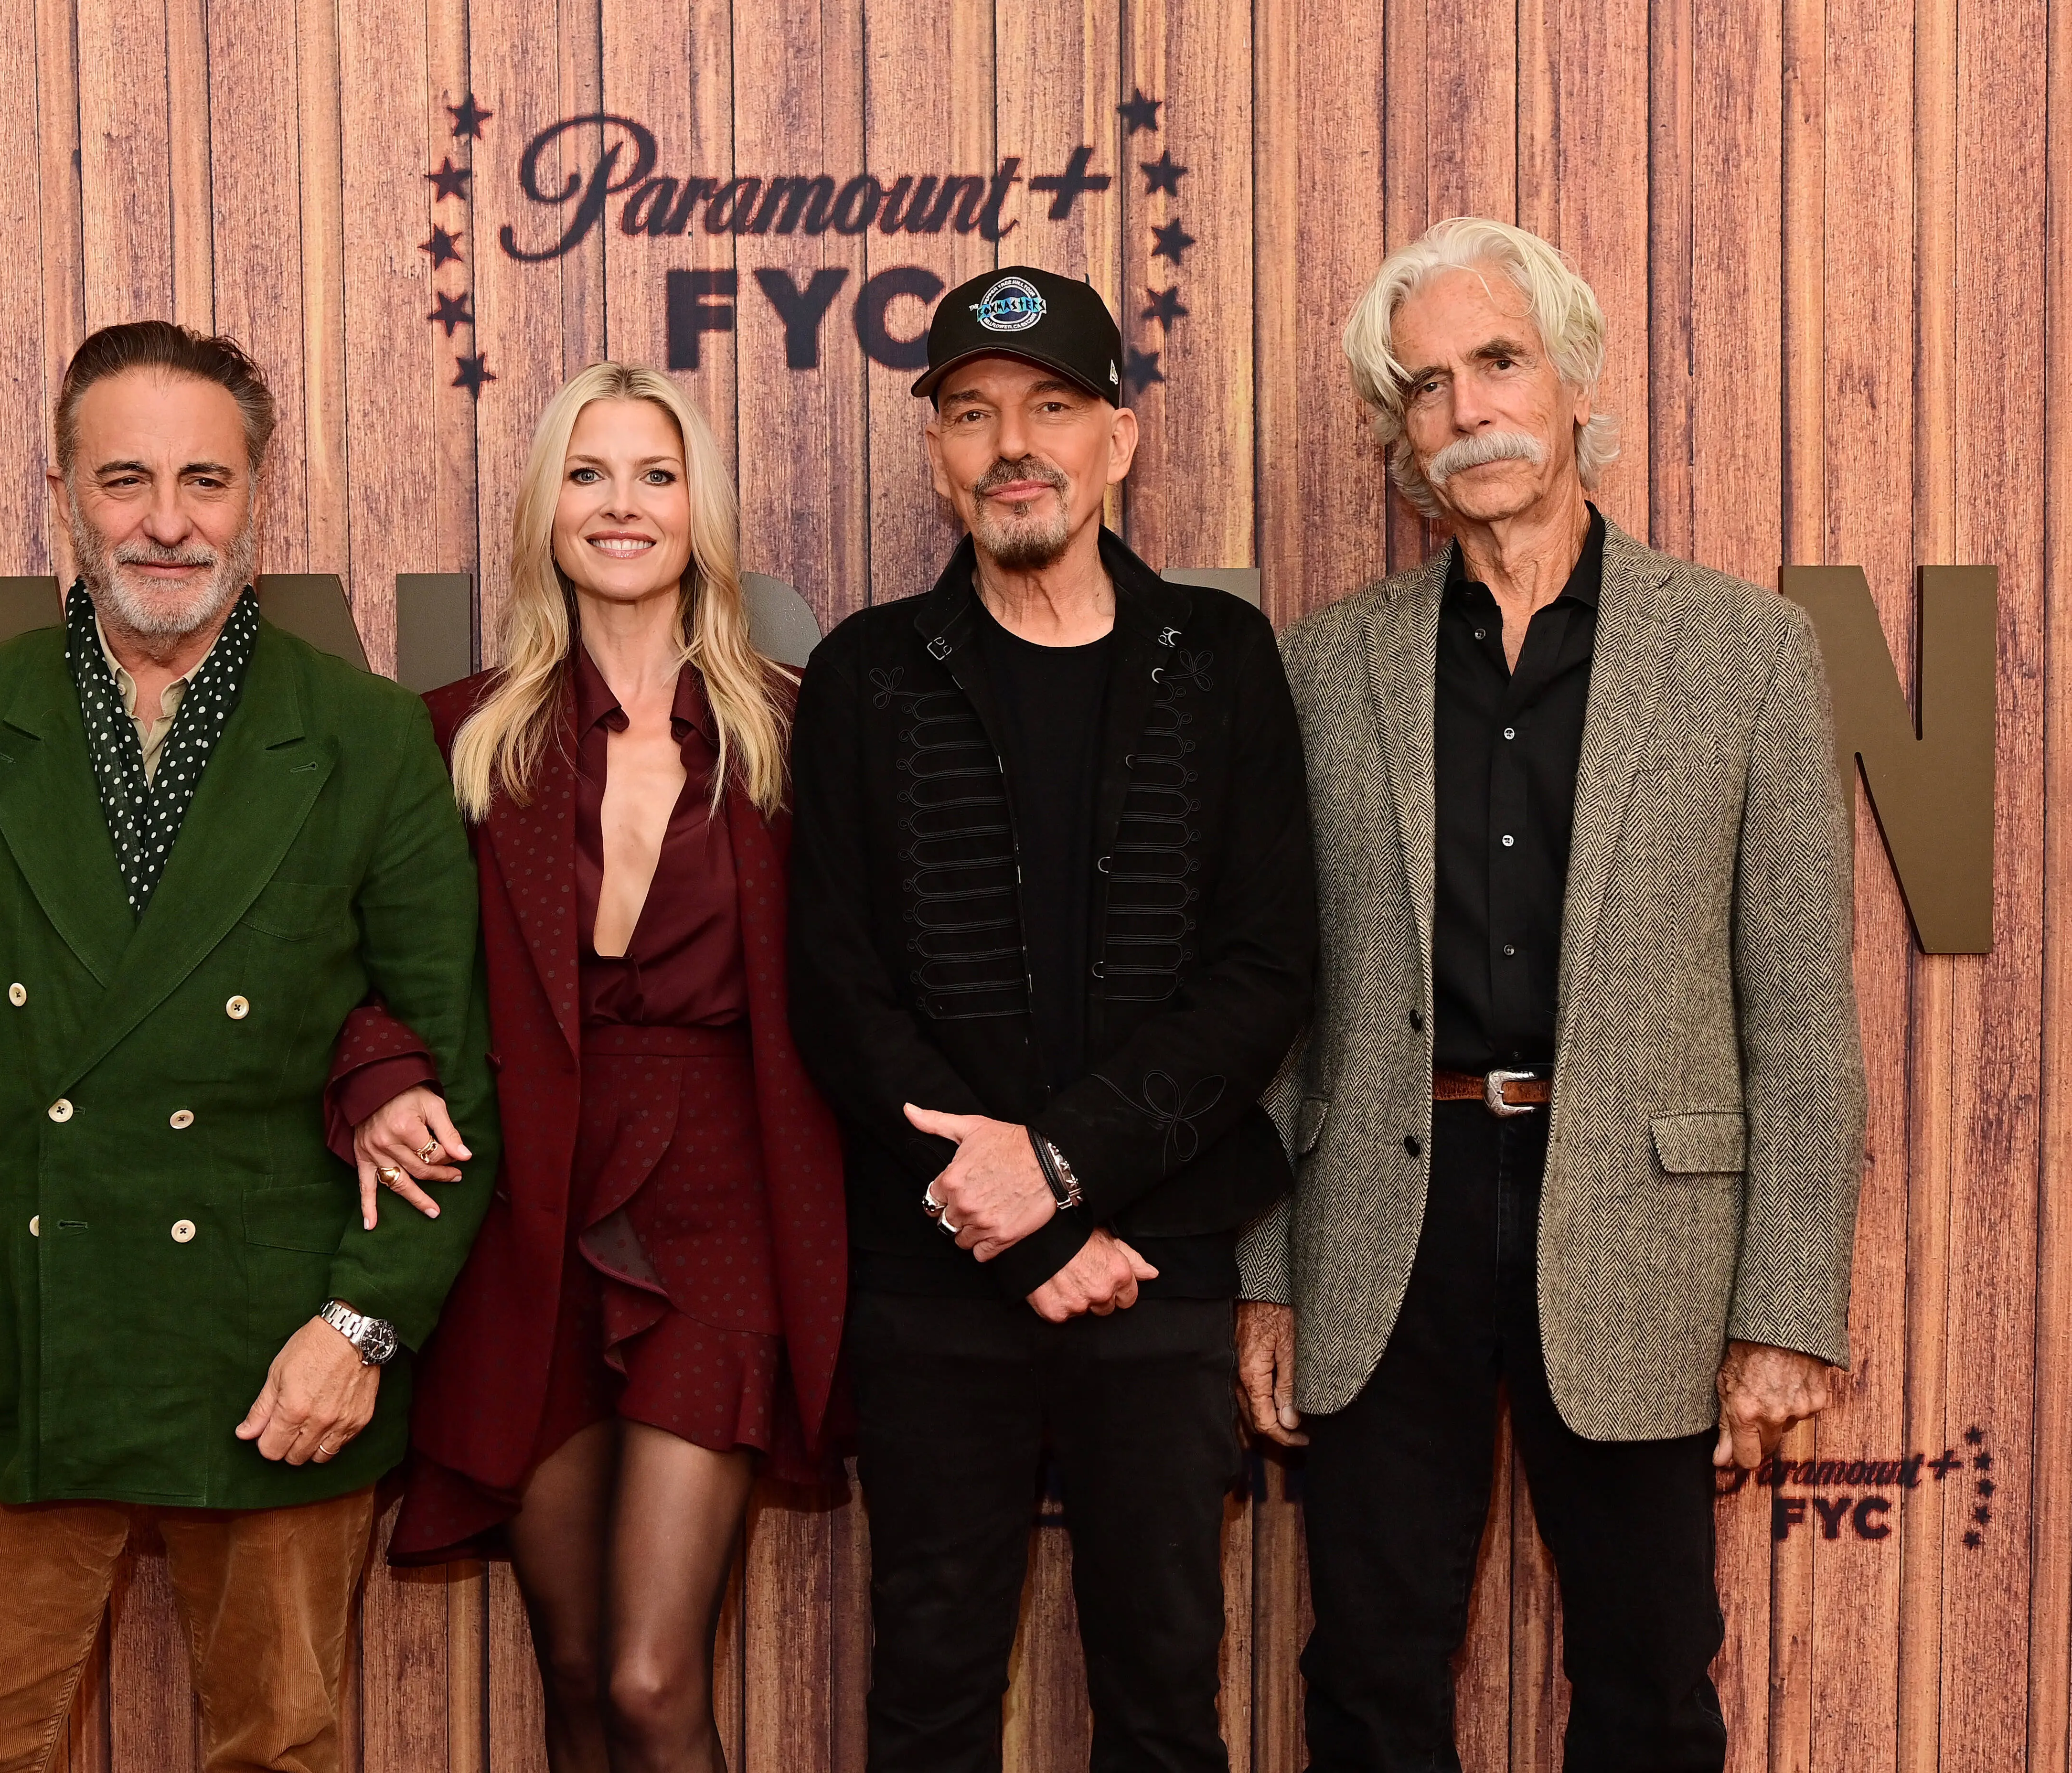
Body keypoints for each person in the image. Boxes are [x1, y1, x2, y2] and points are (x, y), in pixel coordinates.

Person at [0, 320, 498, 1773]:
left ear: (259, 497)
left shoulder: (364, 736)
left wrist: (362, 1327)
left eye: (206, 478)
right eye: (126, 478)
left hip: (279, 1344)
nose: (167, 521)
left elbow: (450, 1062)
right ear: (61, 488)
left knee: (279, 1752)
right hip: (31, 1328)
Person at [1236, 217, 1866, 1771]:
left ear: (1576, 379)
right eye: (1424, 386)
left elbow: (1797, 1012)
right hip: (1389, 1219)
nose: (1465, 410)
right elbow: (1281, 1013)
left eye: (1496, 362)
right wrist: (1264, 1267)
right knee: (1371, 1682)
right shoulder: (1321, 674)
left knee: (1650, 1682)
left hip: (1645, 1222)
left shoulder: (1746, 655)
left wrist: (1782, 1310)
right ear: (1397, 435)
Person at [788, 266, 1318, 1771]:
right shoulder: (866, 676)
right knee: (930, 1686)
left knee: (1163, 1688)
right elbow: (840, 993)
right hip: (930, 1269)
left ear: (1118, 439)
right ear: (936, 453)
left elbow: (1263, 969)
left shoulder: (1217, 660)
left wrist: (1065, 1174)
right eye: (969, 414)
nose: (1008, 444)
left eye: (1048, 408)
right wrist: (1014, 1225)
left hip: (1156, 1265)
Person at [328, 363, 846, 1773]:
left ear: (703, 514)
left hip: (726, 1205)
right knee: (568, 1669)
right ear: (543, 510)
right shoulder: (454, 734)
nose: (621, 505)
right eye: (588, 474)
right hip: (522, 1205)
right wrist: (378, 1078)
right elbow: (356, 972)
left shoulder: (797, 732)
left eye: (655, 476)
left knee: (646, 1677)